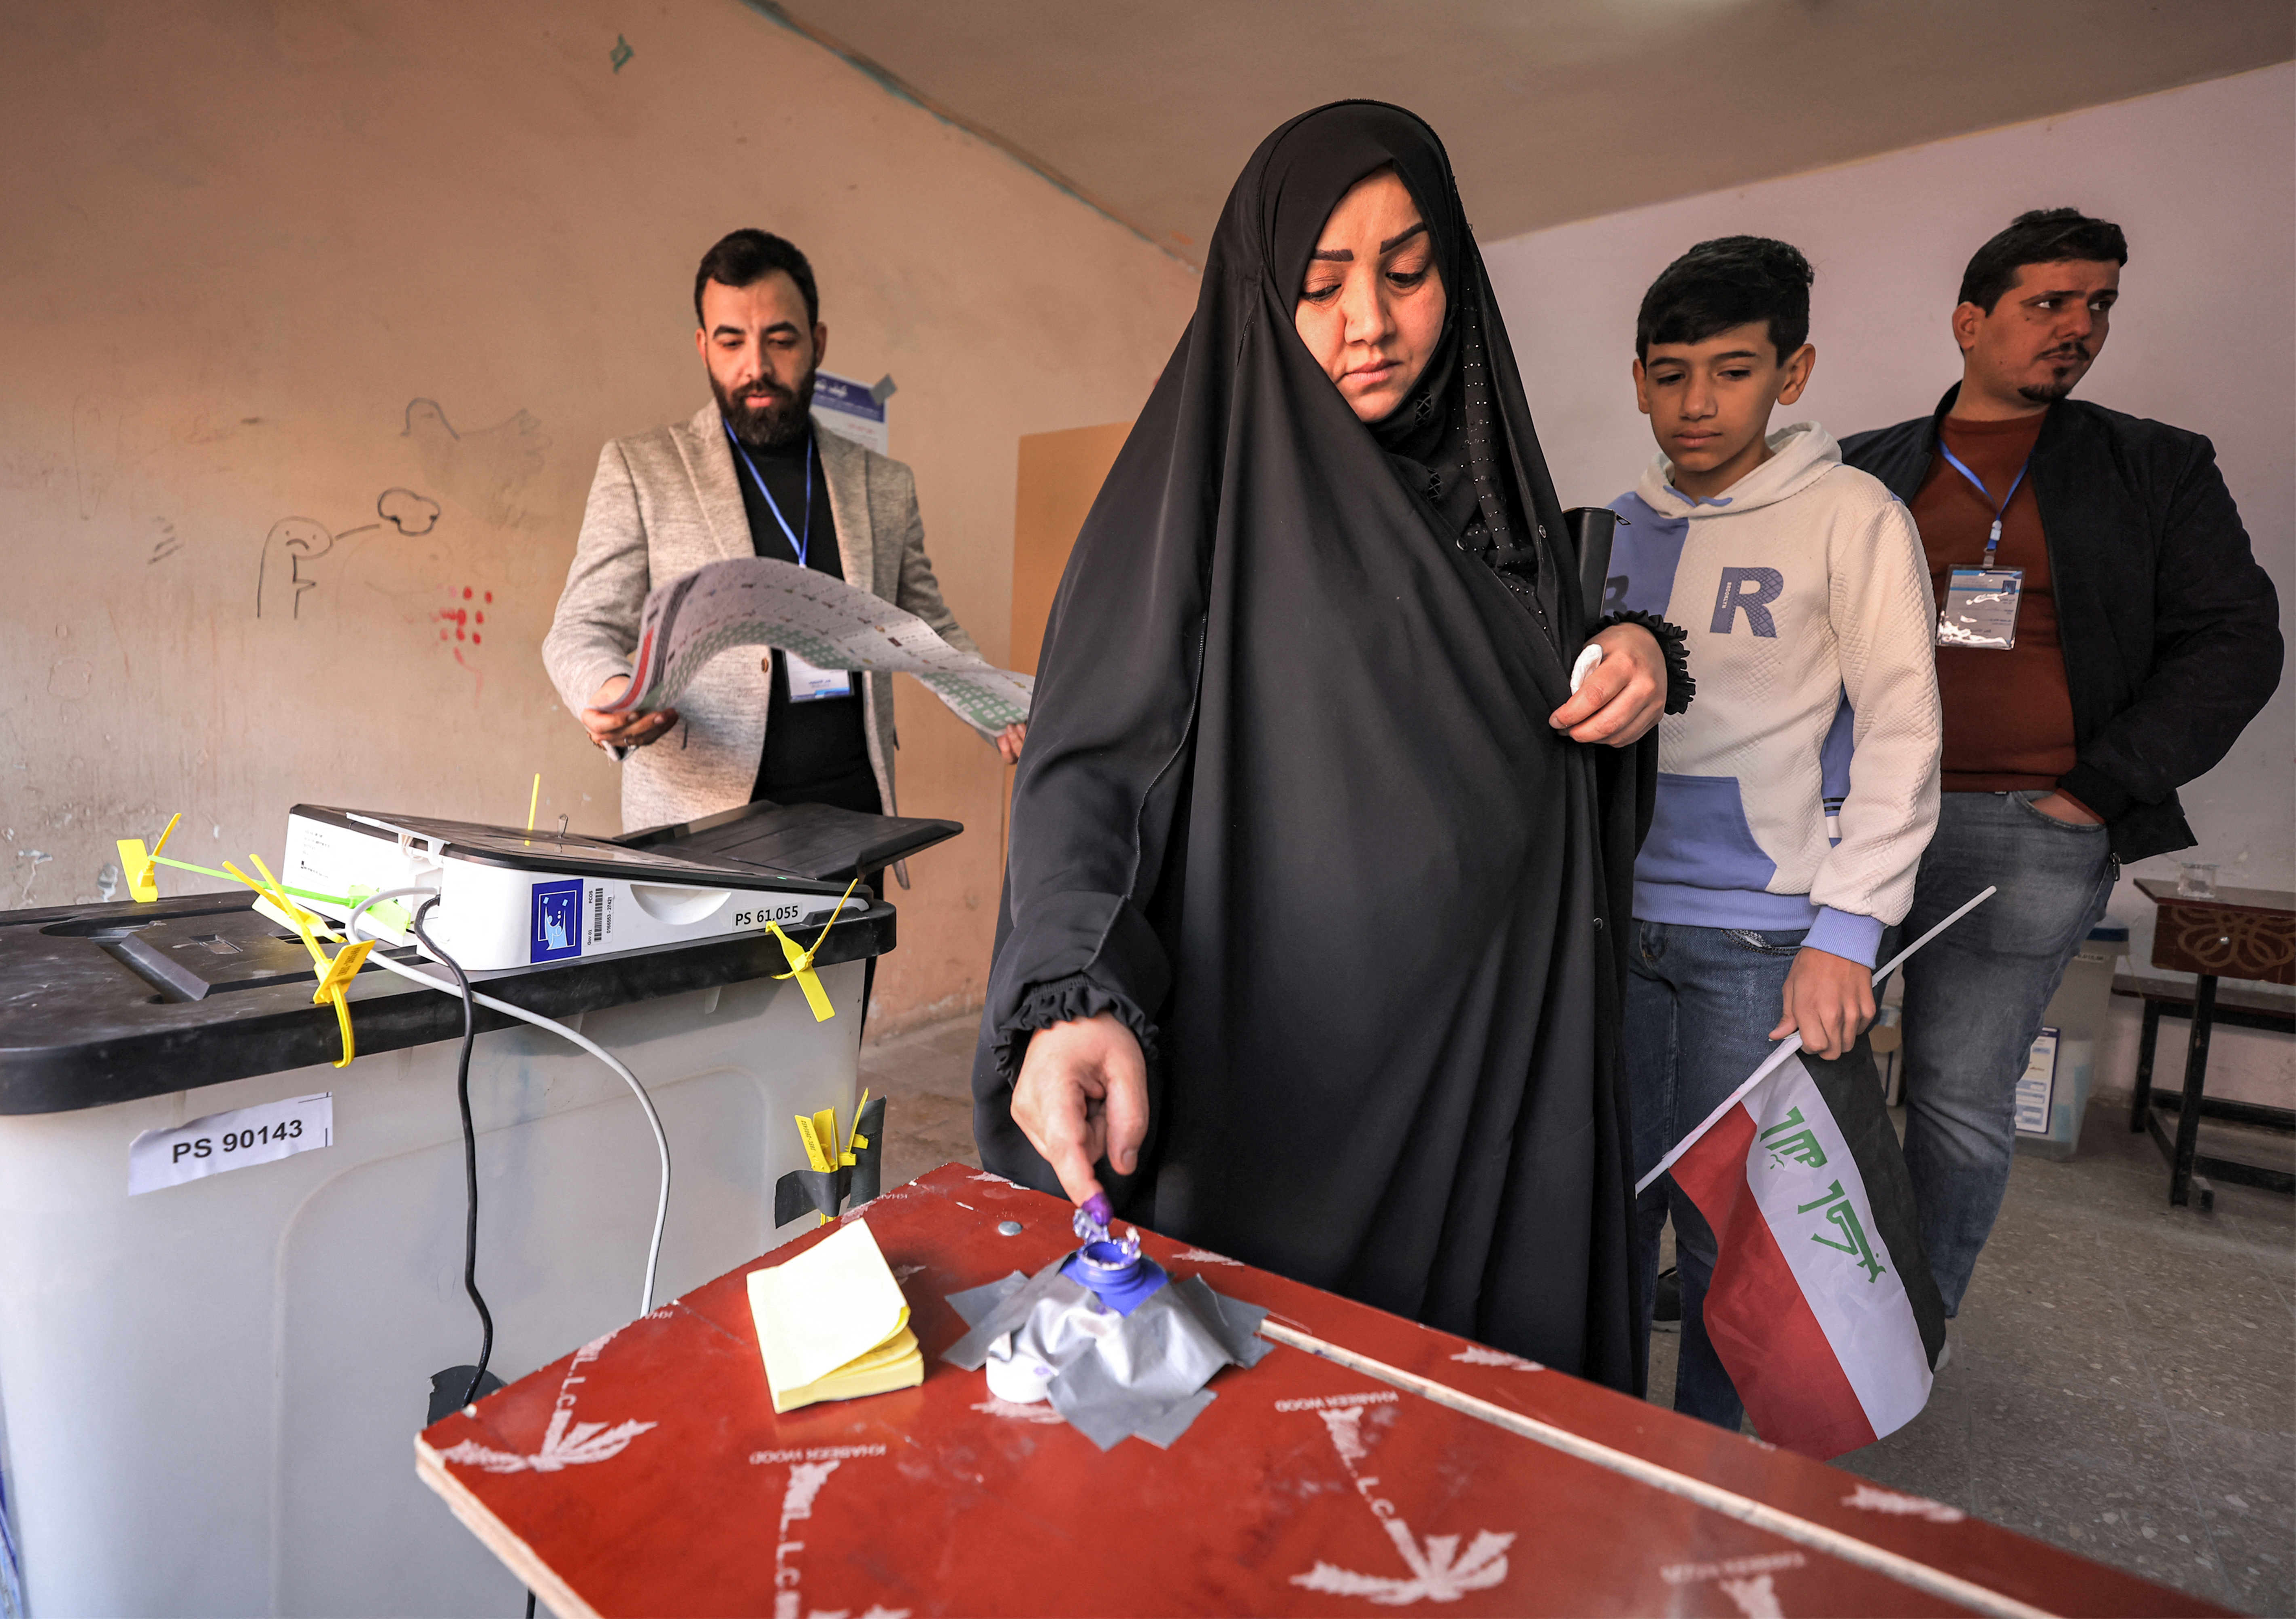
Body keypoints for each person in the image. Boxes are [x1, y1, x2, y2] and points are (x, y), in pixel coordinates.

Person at [970, 102, 1692, 1389]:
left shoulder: (1497, 501)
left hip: (1507, 1084)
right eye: (1320, 284)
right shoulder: (1190, 512)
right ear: (1261, 296)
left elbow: (1553, 671)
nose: (1372, 319)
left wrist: (1636, 653)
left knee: (1484, 1461)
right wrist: (1073, 996)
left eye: (1409, 273)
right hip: (1293, 1095)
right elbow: (1094, 768)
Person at [1841, 209, 2282, 1322]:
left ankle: (1909, 1320)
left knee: (1955, 1099)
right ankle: (1801, 1292)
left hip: (2030, 832)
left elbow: (2237, 639)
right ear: (1969, 321)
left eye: (2100, 307)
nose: (2079, 329)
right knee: (1805, 1065)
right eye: (2050, 304)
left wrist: (2099, 789)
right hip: (1857, 817)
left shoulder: (2154, 468)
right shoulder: (1865, 468)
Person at [1603, 238, 1941, 1430]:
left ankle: (1706, 1479)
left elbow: (1904, 726)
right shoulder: (1609, 535)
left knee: (1729, 1237)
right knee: (1605, 1214)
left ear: (1792, 375)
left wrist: (1846, 934)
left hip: (1758, 944)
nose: (1698, 405)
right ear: (1637, 379)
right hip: (1611, 928)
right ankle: (1595, 1449)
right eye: (1671, 372)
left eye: (1733, 371)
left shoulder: (1852, 516)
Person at [542, 227, 1021, 839]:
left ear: (817, 343)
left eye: (780, 340)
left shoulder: (884, 484)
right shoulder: (641, 470)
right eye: (732, 341)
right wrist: (611, 693)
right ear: (703, 346)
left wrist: (999, 710)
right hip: (699, 828)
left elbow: (926, 630)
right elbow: (578, 629)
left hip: (853, 821)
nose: (757, 367)